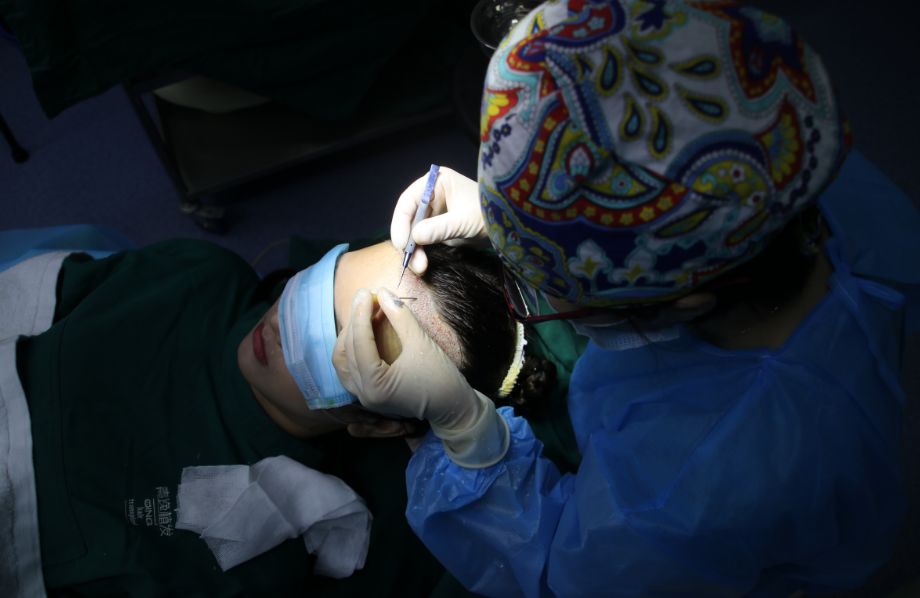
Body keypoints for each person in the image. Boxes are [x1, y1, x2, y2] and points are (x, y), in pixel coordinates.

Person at [332, 1, 920, 596]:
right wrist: (506, 212)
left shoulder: (704, 478)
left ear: (687, 302)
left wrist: (465, 432)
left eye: (554, 291)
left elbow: (567, 579)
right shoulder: (770, 145)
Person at [1, 231, 554, 596]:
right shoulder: (199, 276)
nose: (282, 323)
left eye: (332, 340)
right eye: (314, 287)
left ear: (377, 422)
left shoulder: (274, 537)